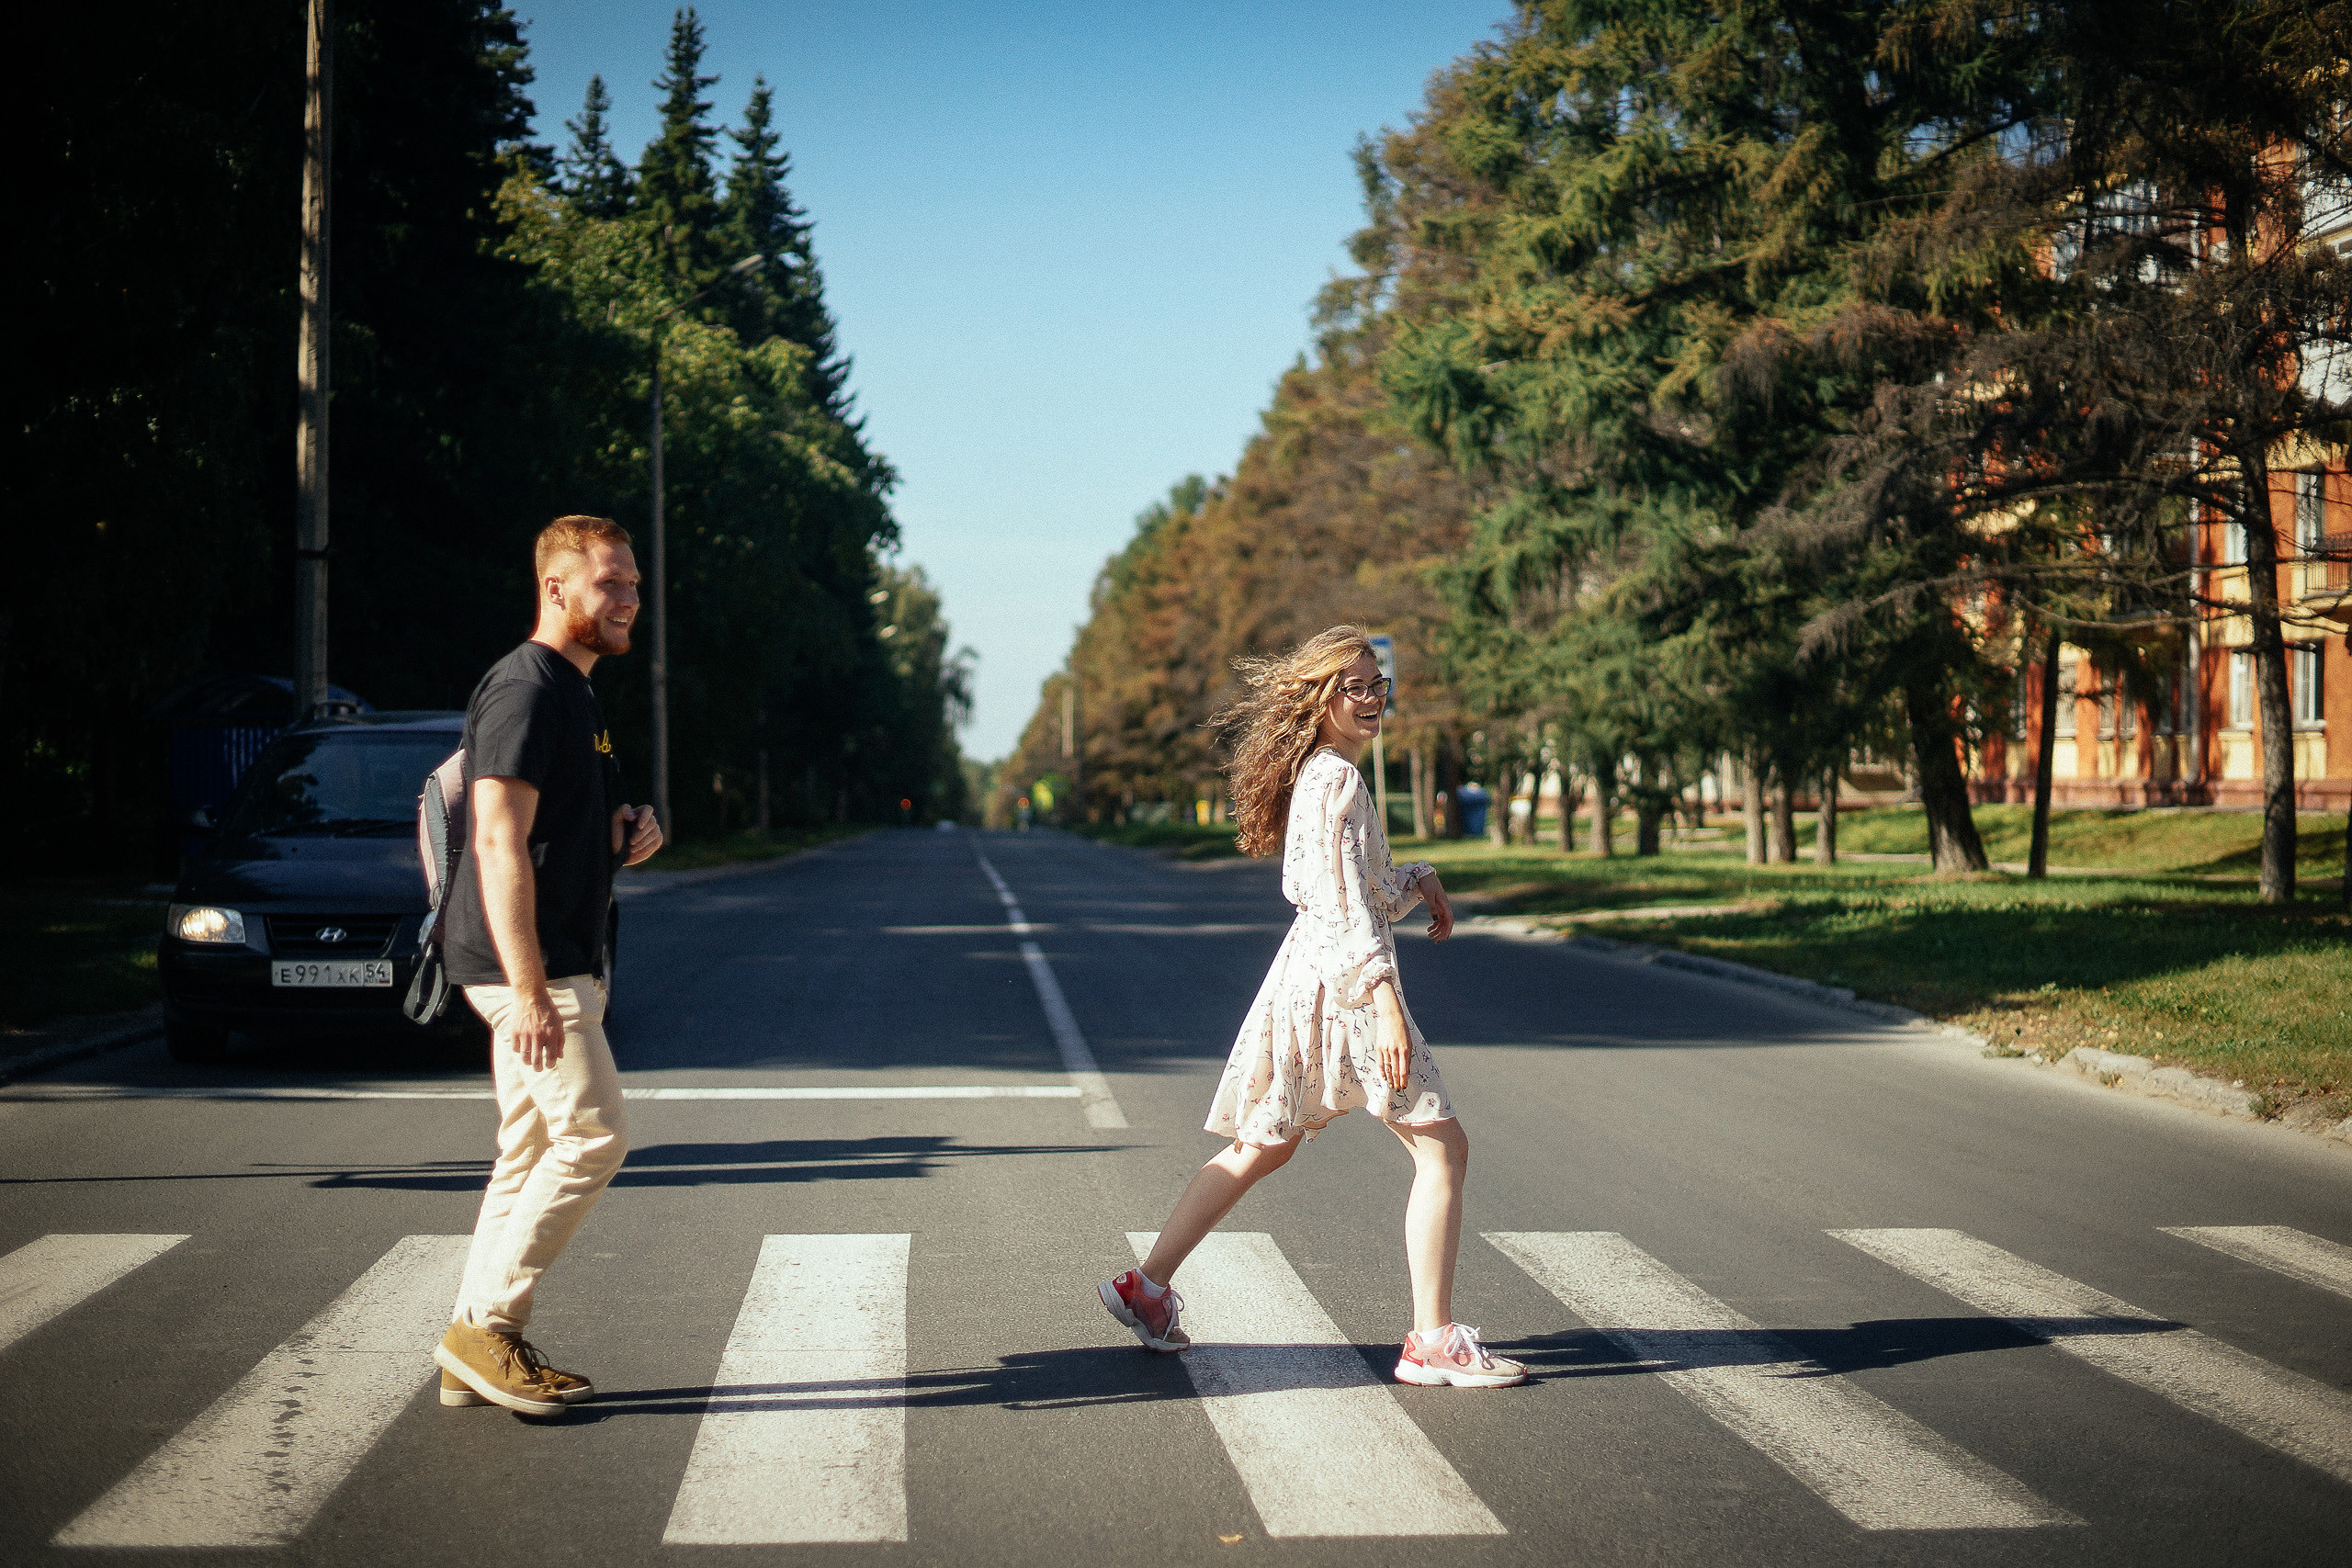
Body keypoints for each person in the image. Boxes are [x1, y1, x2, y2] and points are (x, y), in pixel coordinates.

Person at [1097, 626, 1526, 1388]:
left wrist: (1416, 878)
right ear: (1321, 698)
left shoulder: (1323, 775)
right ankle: (1432, 1341)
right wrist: (1384, 1000)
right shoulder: (1335, 780)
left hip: (1312, 979)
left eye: (1376, 685)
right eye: (1352, 687)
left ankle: (1147, 1286)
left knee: (1266, 1142)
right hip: (1347, 988)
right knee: (1442, 1147)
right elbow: (1335, 906)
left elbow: (1351, 892)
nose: (1370, 700)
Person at [433, 514, 664, 1416]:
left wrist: (626, 839)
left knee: (527, 1152)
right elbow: (496, 842)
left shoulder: (579, 694)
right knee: (595, 1135)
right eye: (610, 584)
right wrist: (529, 988)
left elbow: (563, 837)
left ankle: (468, 1352)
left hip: (561, 955)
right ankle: (488, 1327)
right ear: (556, 588)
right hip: (530, 966)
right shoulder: (526, 688)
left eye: (634, 585)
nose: (628, 601)